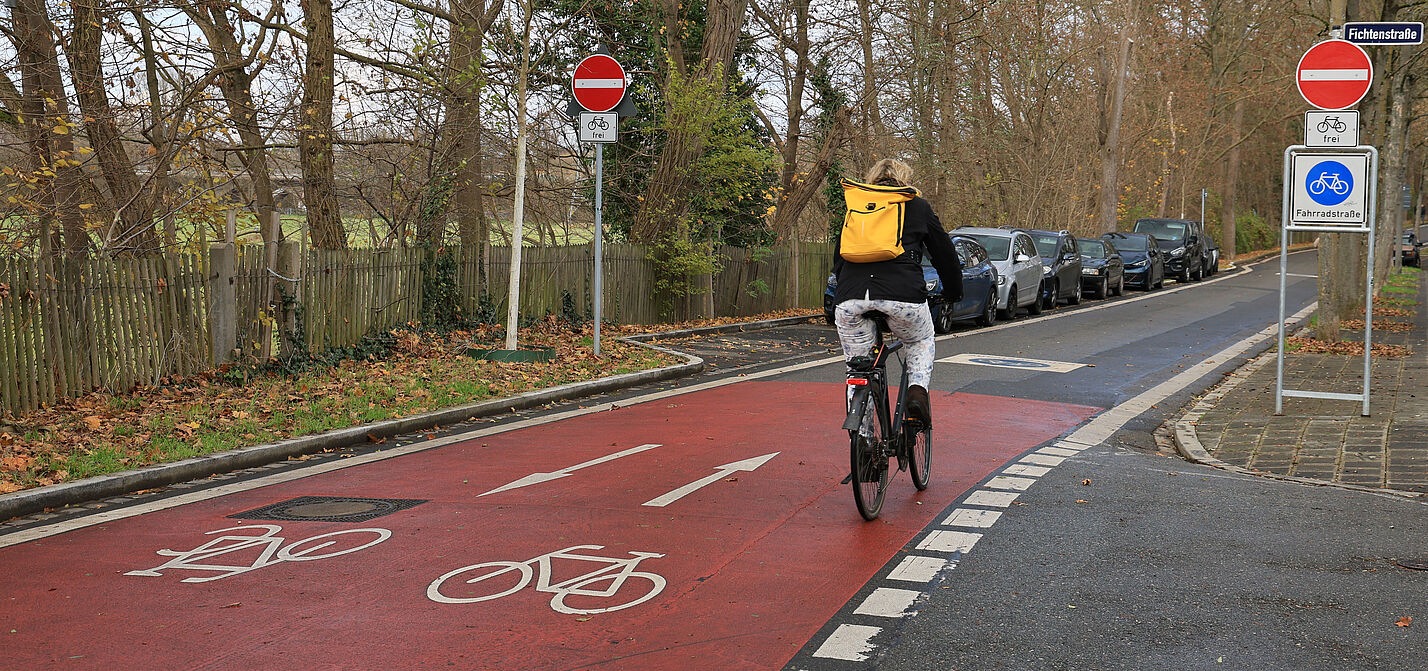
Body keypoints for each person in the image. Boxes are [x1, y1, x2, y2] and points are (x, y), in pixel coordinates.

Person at [831, 159, 961, 426]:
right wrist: (954, 290)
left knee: (858, 368)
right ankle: (917, 393)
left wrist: (844, 289)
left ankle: (863, 443)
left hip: (851, 298)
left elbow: (838, 259)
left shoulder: (856, 207)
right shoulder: (916, 206)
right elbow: (945, 254)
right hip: (903, 296)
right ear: (905, 179)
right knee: (920, 340)